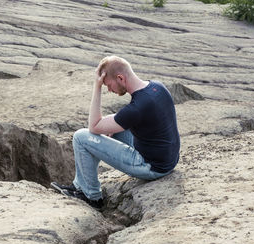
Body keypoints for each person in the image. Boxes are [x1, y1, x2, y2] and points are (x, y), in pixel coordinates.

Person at [54, 56, 180, 210]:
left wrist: (97, 87)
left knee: (81, 137)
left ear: (120, 78)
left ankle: (92, 197)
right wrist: (109, 126)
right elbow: (126, 118)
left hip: (151, 166)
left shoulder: (137, 107)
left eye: (108, 85)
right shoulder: (157, 87)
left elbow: (94, 126)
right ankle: (80, 185)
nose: (109, 89)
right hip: (167, 159)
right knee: (110, 128)